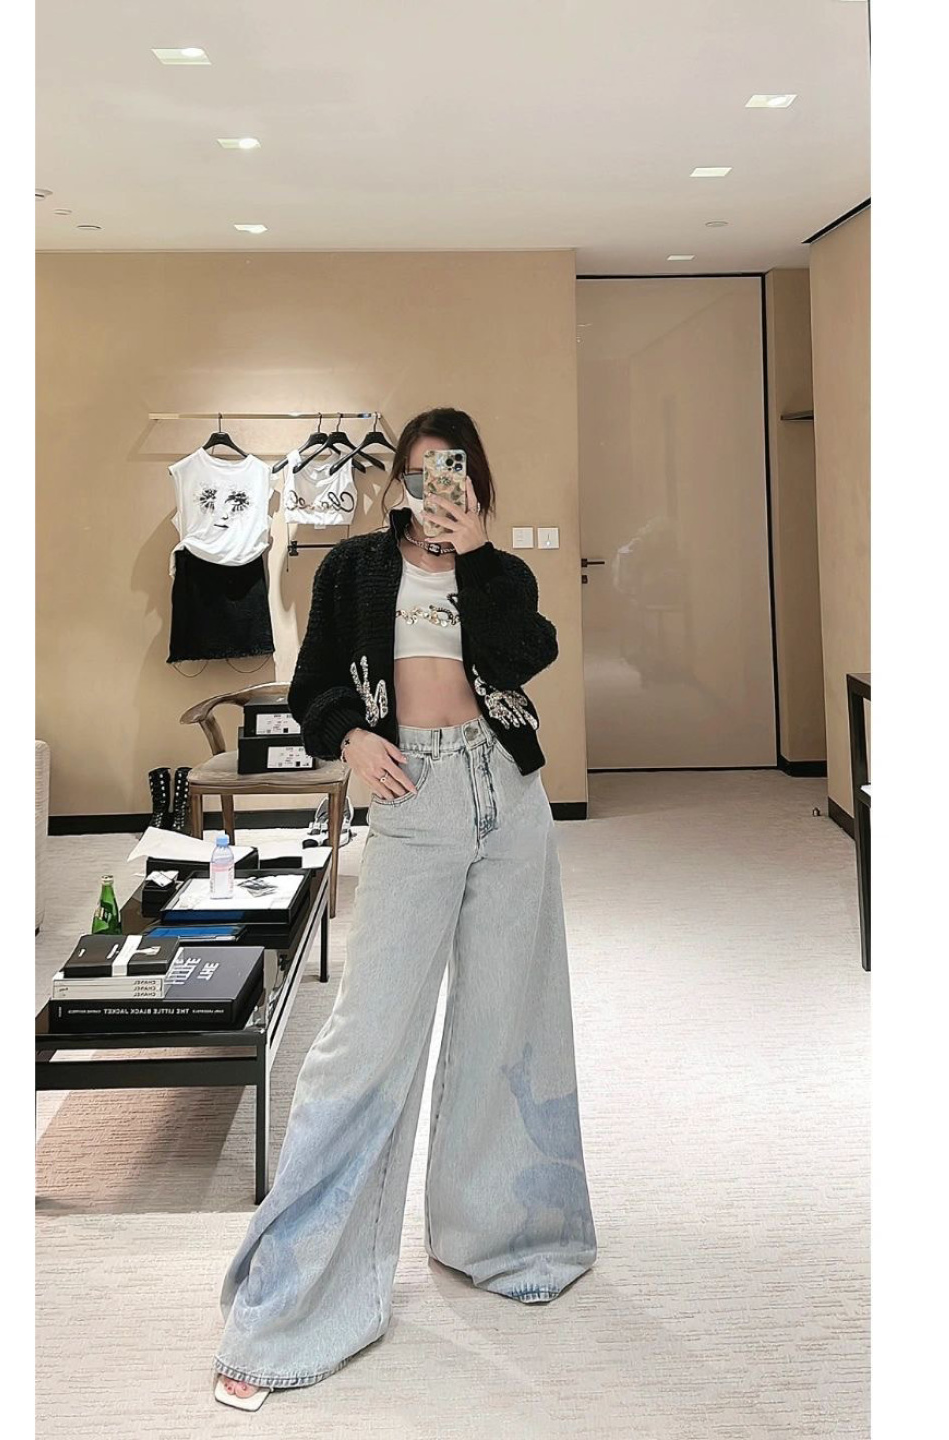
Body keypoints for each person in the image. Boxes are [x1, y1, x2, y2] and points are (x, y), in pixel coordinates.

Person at [213, 407, 597, 1411]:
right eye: (423, 473)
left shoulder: (498, 573)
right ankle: (296, 1301)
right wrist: (349, 740)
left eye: (454, 473)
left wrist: (477, 557)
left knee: (510, 1017)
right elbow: (313, 688)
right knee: (367, 1040)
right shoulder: (353, 570)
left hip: (506, 795)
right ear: (399, 485)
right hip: (413, 796)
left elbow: (526, 656)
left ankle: (503, 1236)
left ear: (477, 483)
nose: (439, 489)